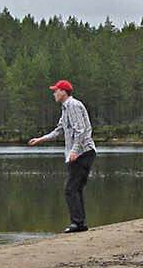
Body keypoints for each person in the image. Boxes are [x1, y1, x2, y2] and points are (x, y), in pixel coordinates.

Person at [27, 79, 95, 232]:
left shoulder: (73, 106)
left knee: (71, 189)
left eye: (56, 90)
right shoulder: (65, 108)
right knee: (75, 188)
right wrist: (40, 139)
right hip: (79, 153)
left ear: (64, 92)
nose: (54, 93)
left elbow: (81, 130)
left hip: (83, 153)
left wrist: (75, 151)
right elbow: (59, 130)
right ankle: (80, 223)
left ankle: (77, 223)